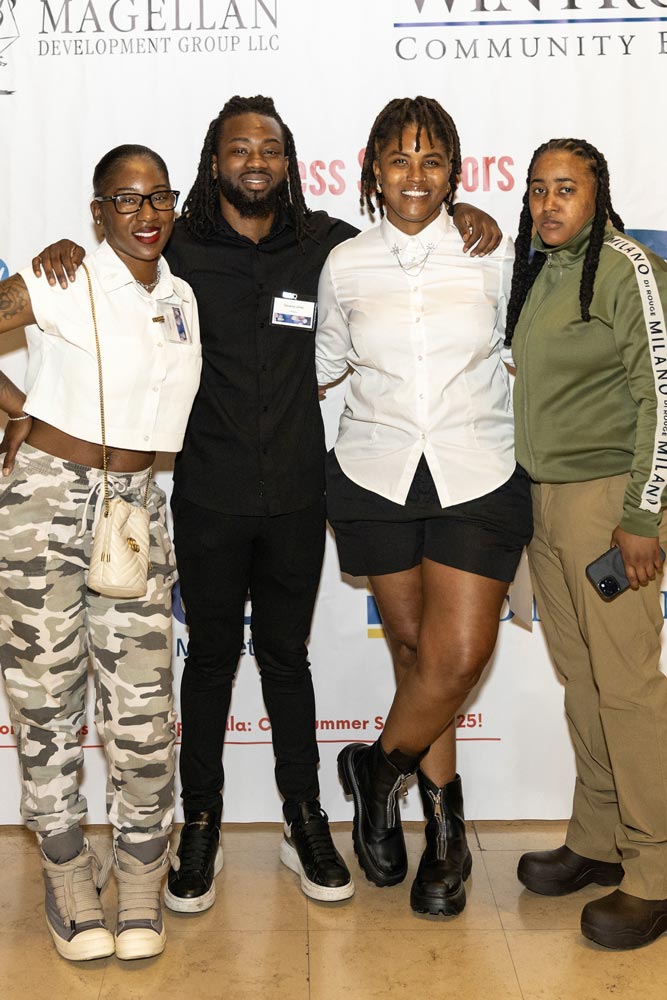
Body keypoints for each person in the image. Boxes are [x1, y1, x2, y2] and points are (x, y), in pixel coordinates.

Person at [32, 94, 502, 913]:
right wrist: (72, 243)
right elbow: (114, 247)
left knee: (288, 662)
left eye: (271, 149)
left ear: (288, 164)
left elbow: (408, 244)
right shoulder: (170, 242)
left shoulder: (325, 246)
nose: (256, 160)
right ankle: (202, 825)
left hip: (296, 491)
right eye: (240, 148)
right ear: (214, 161)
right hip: (206, 493)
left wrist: (472, 216)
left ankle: (304, 818)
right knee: (210, 662)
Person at [315, 96, 532, 916]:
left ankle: (377, 769)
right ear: (373, 167)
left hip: (477, 470)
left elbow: (522, 353)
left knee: (456, 656)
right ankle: (444, 836)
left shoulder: (493, 254)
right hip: (374, 474)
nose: (415, 175)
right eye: (399, 159)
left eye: (431, 160)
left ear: (454, 172)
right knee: (412, 654)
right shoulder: (345, 265)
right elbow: (325, 363)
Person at [0, 144, 202, 961]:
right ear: (97, 211)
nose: (145, 213)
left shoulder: (182, 294)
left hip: (135, 508)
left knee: (145, 709)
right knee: (47, 702)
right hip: (46, 499)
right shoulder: (63, 274)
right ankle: (66, 871)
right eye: (125, 199)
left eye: (159, 196)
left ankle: (143, 868)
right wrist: (18, 408)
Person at [506, 137, 667, 950]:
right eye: (536, 190)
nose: (547, 204)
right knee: (582, 681)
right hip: (544, 504)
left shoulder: (627, 267)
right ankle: (599, 839)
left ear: (598, 193)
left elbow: (660, 396)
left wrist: (642, 516)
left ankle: (655, 870)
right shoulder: (537, 268)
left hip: (607, 506)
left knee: (629, 686)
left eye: (564, 189)